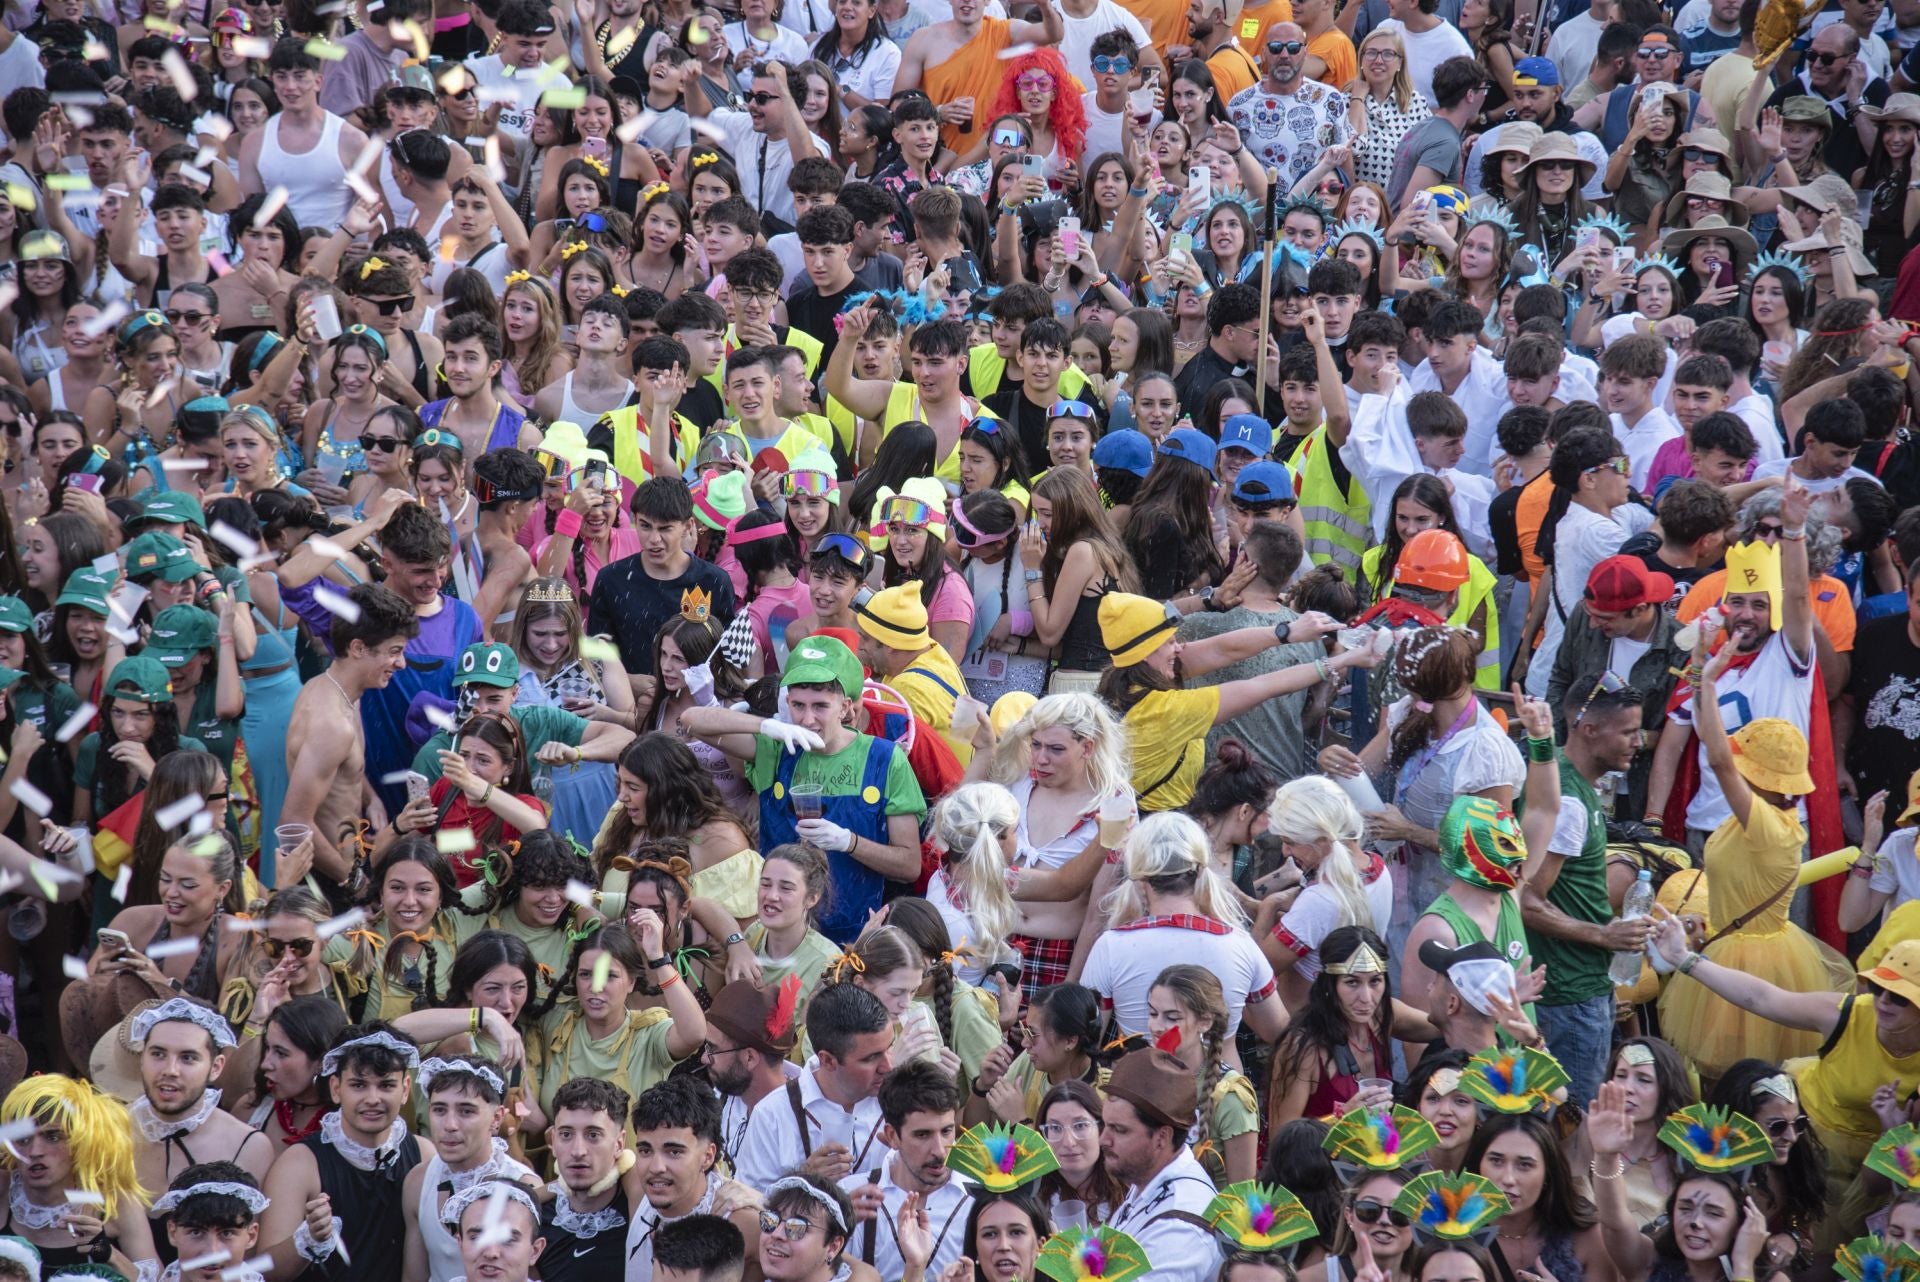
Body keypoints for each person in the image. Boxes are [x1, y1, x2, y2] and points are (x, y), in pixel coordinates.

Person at [1655, 616, 1854, 1081]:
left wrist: (1706, 676)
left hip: (1750, 959)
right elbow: (1714, 742)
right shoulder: (1760, 814)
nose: (1731, 761)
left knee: (1742, 1076)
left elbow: (1719, 756)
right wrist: (1703, 668)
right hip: (1727, 939)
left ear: (1758, 776)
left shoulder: (1765, 823)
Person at [681, 637, 925, 943]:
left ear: (845, 707)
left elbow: (909, 866)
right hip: (778, 936)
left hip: (853, 941)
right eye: (798, 705)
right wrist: (766, 726)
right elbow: (691, 721)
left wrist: (849, 842)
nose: (807, 719)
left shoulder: (886, 759)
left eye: (820, 706)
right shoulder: (777, 748)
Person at [1519, 674, 1649, 1108]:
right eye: (1629, 731)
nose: (1640, 741)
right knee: (1570, 1125)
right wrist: (1603, 935)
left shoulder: (1560, 775)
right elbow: (1527, 902)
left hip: (1576, 990)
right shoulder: (1569, 802)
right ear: (1589, 729)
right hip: (1570, 999)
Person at [257, 1023, 426, 1282]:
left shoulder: (424, 1154)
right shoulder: (300, 1163)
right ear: (336, 1089)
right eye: (358, 1085)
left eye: (386, 1086)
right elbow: (266, 1272)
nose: (373, 1098)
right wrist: (307, 1240)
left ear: (404, 1090)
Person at [734, 982, 896, 1192]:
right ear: (828, 1061)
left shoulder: (909, 1095)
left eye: (889, 1047)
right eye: (871, 1058)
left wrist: (918, 1160)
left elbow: (952, 1165)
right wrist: (802, 1181)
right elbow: (745, 1210)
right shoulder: (772, 1114)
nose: (888, 1066)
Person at [1101, 1044, 1225, 1282]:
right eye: (1105, 1125)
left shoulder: (1182, 1227)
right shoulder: (1147, 1175)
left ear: (1161, 1138)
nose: (1103, 1139)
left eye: (1119, 1130)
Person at [625, 1078, 763, 1280]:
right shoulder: (635, 1188)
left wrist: (765, 1202)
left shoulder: (742, 1223)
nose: (656, 1168)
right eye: (645, 1150)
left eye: (674, 1152)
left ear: (707, 1156)